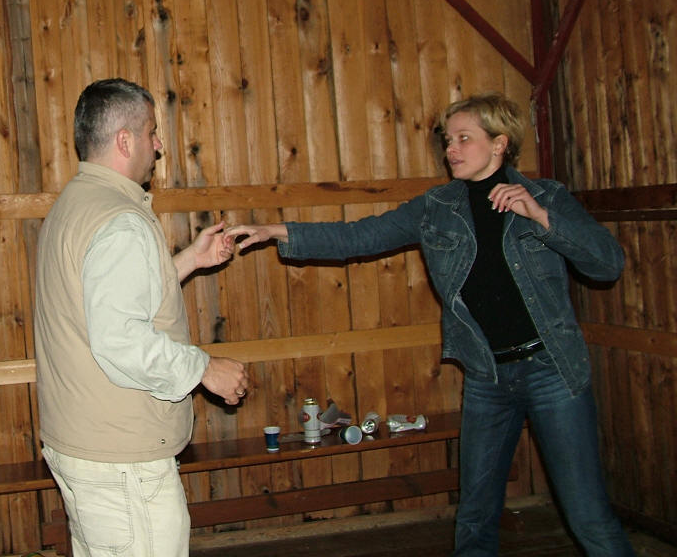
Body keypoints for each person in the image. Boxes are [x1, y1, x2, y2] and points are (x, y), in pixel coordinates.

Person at [225, 92, 633, 557]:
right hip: (487, 376)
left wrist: (541, 218)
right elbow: (361, 235)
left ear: (499, 143)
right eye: (447, 140)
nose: (450, 149)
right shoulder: (437, 207)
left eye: (464, 138)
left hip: (553, 371)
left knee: (587, 514)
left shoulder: (547, 197)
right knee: (475, 514)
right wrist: (275, 231)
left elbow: (607, 264)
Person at [33, 78, 250, 557]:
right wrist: (204, 368)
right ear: (125, 140)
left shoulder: (75, 205)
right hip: (122, 463)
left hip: (87, 447)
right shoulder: (119, 221)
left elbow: (105, 301)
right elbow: (121, 340)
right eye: (152, 132)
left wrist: (190, 260)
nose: (159, 145)